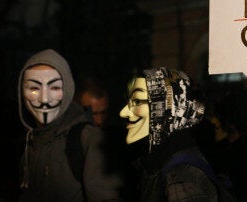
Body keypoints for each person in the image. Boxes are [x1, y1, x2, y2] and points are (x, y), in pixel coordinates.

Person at [17, 49, 122, 201]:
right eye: (34, 88)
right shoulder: (27, 141)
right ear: (21, 92)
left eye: (54, 88)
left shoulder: (88, 139)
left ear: (67, 90)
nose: (44, 99)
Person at [119, 67, 221, 201]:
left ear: (168, 109)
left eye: (137, 101)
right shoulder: (162, 162)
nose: (124, 112)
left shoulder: (179, 177)